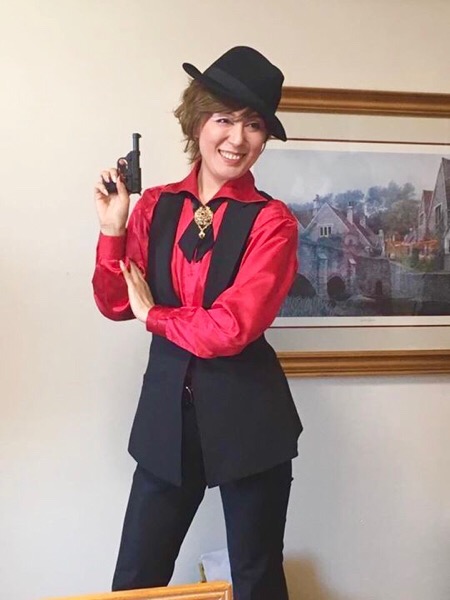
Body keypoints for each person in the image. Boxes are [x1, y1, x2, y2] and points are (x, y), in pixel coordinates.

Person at [92, 46, 303, 600]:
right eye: (224, 119)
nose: (237, 138)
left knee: (257, 579)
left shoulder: (273, 223)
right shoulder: (153, 206)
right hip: (166, 417)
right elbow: (116, 304)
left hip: (251, 420)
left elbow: (232, 327)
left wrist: (156, 315)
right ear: (198, 121)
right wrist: (113, 229)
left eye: (253, 125)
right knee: (135, 580)